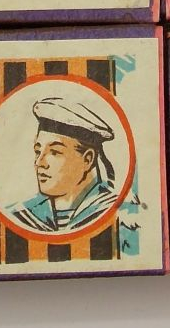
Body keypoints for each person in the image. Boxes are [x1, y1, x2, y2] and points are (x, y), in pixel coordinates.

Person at [9, 97, 119, 234]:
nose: (39, 163)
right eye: (38, 151)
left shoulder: (115, 211)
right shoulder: (22, 215)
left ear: (87, 159)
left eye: (55, 152)